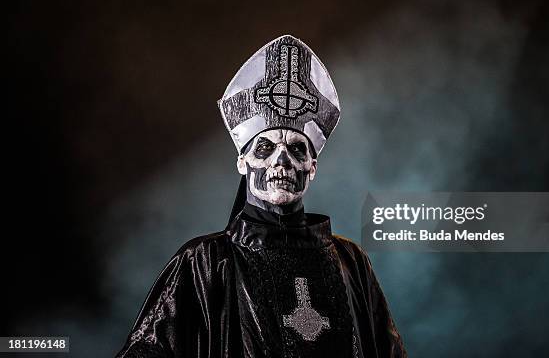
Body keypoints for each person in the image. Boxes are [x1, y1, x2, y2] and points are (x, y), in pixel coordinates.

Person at [116, 35, 407, 357]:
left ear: (312, 167)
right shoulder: (205, 261)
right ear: (243, 162)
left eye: (297, 149)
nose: (280, 161)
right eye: (265, 148)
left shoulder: (349, 261)